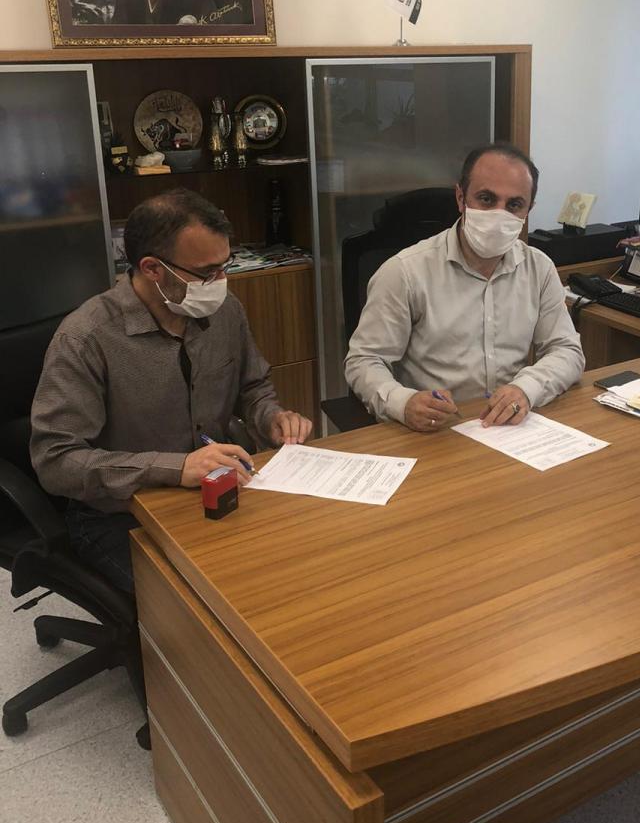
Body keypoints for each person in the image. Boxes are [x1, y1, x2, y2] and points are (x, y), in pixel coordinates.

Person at [30, 189, 313, 592]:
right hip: (121, 514)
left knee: (294, 566)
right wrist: (176, 468)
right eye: (206, 273)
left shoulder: (223, 310)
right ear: (153, 269)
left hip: (219, 488)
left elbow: (252, 387)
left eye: (225, 266)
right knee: (207, 602)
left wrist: (271, 418)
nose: (220, 283)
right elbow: (55, 461)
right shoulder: (86, 338)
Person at [344, 145, 585, 432]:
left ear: (528, 210)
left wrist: (526, 388)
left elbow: (567, 351)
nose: (498, 214)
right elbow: (364, 361)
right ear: (461, 198)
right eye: (486, 199)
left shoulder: (539, 268)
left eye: (514, 205)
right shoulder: (404, 271)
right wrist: (403, 402)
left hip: (510, 428)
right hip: (434, 430)